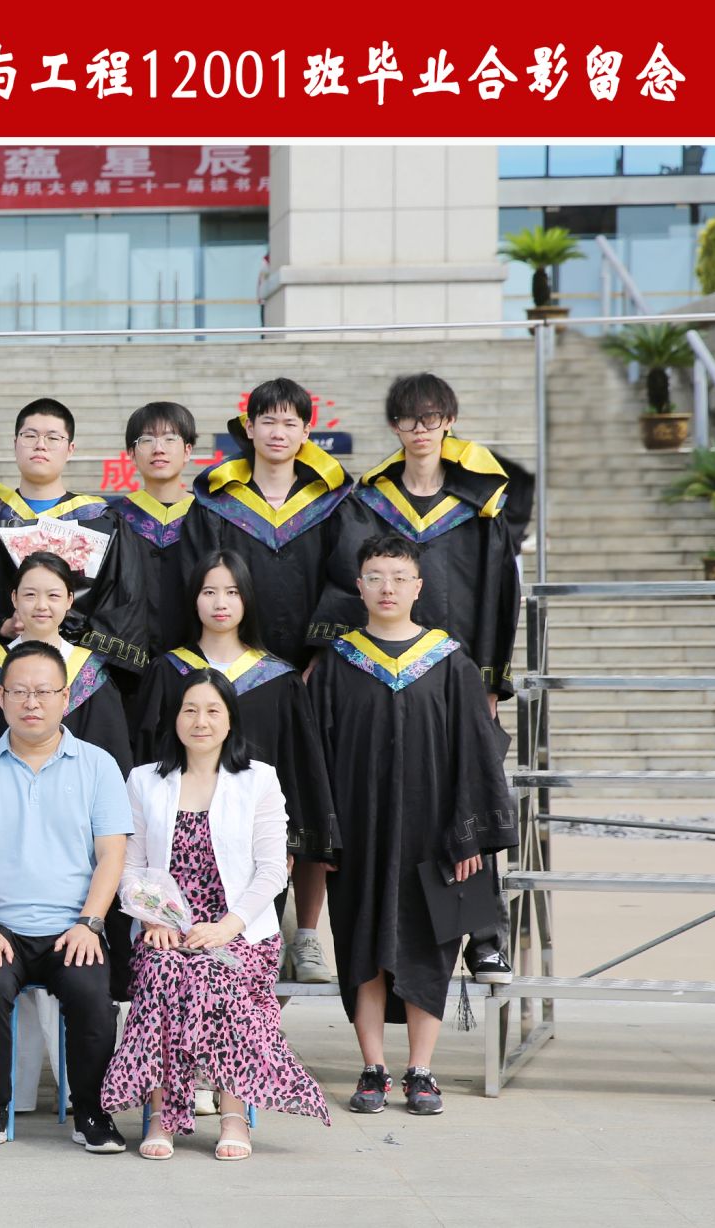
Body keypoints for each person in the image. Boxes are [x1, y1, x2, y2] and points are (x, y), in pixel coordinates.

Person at [308, 534, 519, 1117]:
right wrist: (325, 833)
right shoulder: (337, 663)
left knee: (430, 946)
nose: (388, 588)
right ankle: (373, 1067)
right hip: (360, 833)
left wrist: (470, 835)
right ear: (359, 586)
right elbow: (316, 757)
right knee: (363, 945)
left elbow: (476, 754)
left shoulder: (450, 662)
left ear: (418, 587)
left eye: (399, 578)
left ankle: (421, 1070)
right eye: (376, 577)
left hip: (436, 836)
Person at [103, 670, 331, 1159]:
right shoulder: (144, 780)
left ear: (230, 721)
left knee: (218, 978)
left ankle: (233, 1115)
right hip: (166, 930)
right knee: (161, 975)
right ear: (175, 718)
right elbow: (131, 866)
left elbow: (273, 870)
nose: (200, 721)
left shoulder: (258, 780)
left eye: (212, 711)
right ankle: (162, 1115)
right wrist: (153, 919)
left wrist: (228, 926)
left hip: (239, 932)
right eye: (190, 710)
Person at [0, 641, 131, 1155]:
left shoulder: (98, 765)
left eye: (44, 692)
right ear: (1, 697)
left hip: (74, 926)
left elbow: (111, 856)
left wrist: (90, 924)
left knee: (93, 996)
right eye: (20, 692)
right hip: (0, 926)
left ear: (65, 698)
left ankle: (91, 1111)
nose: (32, 702)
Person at [134, 551, 338, 985]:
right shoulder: (168, 671)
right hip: (178, 847)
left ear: (247, 600)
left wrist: (294, 838)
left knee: (250, 961)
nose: (220, 602)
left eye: (232, 592)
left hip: (254, 841)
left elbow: (298, 764)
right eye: (209, 592)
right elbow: (148, 756)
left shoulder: (278, 679)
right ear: (193, 599)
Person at [316, 372, 534, 707]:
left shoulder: (481, 511)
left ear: (449, 420)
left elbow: (497, 596)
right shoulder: (368, 505)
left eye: (430, 417)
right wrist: (325, 657)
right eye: (408, 418)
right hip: (378, 670)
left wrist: (490, 683)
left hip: (459, 669)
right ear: (394, 426)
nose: (420, 429)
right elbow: (345, 582)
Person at [0, 398, 150, 674]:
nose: (40, 445)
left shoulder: (102, 521)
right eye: (30, 436)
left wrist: (74, 639)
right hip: (1, 671)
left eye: (53, 438)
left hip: (79, 672)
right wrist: (2, 626)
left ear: (70, 449)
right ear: (15, 443)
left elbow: (124, 602)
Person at [178, 379, 351, 668]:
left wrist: (321, 656)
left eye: (289, 424)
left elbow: (345, 582)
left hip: (314, 665)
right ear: (249, 427)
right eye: (268, 422)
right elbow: (198, 581)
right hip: (231, 663)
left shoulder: (332, 505)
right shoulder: (216, 505)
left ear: (305, 432)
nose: (278, 433)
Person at [0, 552, 134, 775]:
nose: (41, 605)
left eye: (53, 595)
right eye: (30, 595)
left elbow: (110, 755)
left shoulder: (90, 674)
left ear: (69, 600)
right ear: (14, 598)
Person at [106, 401, 199, 670]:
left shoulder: (207, 517)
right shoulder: (112, 517)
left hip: (197, 660)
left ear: (187, 450)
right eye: (146, 440)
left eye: (170, 438)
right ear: (132, 454)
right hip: (126, 664)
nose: (159, 448)